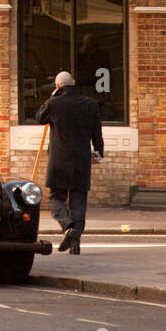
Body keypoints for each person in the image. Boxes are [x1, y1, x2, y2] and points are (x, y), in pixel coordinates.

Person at [36, 70, 103, 254]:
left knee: (56, 198)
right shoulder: (90, 104)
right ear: (73, 83)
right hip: (81, 160)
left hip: (59, 160)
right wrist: (99, 153)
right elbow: (97, 133)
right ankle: (75, 244)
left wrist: (52, 97)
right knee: (78, 201)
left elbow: (39, 118)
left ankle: (67, 226)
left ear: (58, 87)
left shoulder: (53, 103)